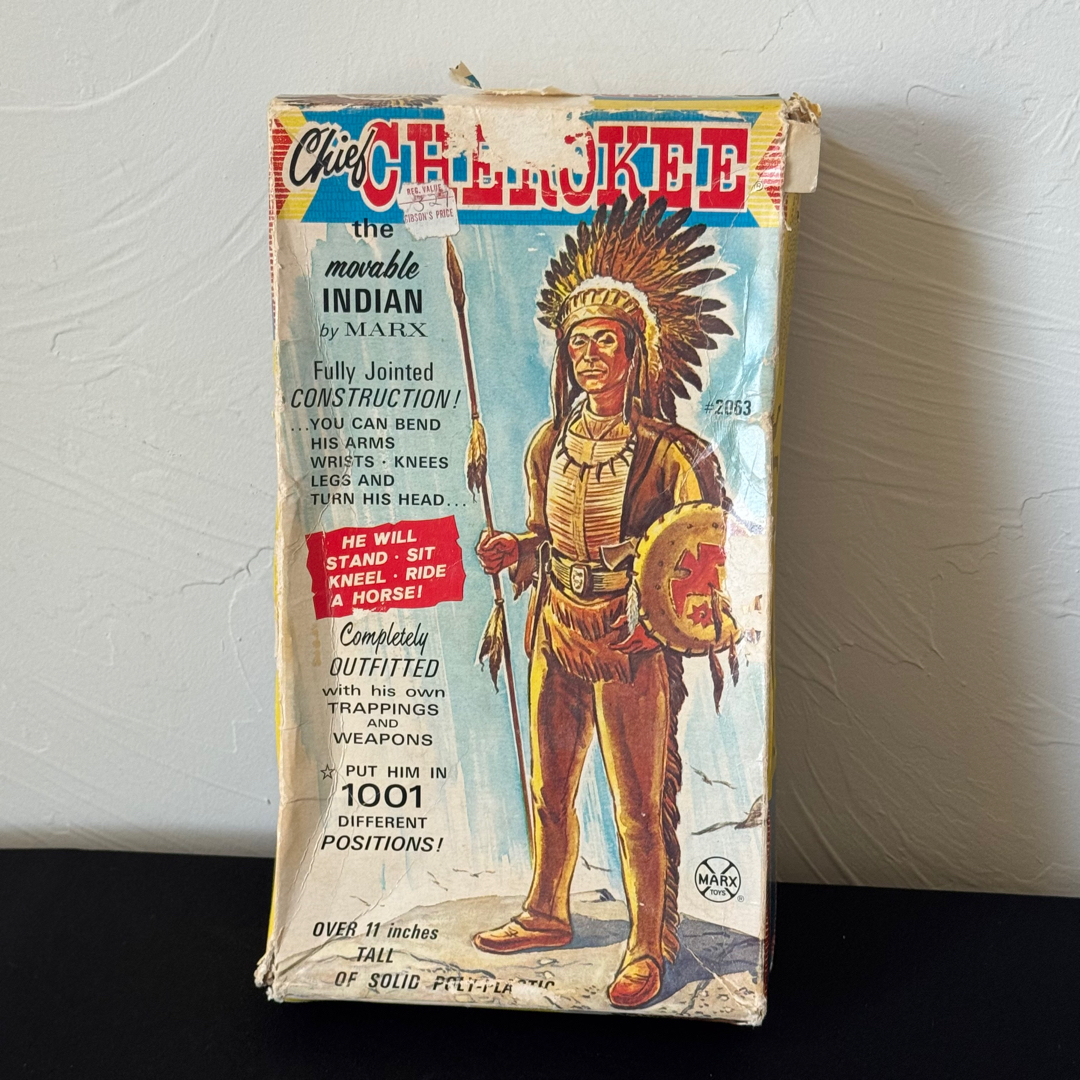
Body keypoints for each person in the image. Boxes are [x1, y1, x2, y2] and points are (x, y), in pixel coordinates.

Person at [471, 196, 736, 1010]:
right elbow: (545, 538)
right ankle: (546, 910)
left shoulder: (674, 454)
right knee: (549, 787)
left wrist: (663, 620)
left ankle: (647, 943)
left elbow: (707, 560)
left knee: (636, 805)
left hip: (630, 641)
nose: (589, 356)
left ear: (635, 351)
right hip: (558, 625)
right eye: (577, 342)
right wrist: (516, 551)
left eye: (604, 342)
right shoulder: (546, 444)